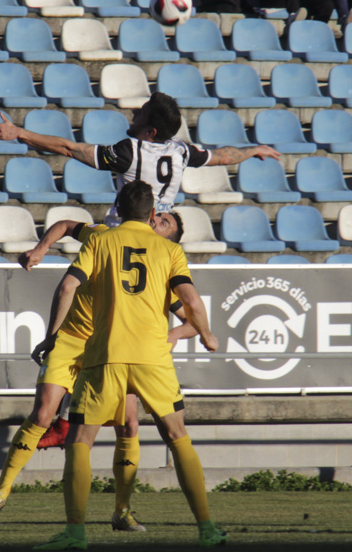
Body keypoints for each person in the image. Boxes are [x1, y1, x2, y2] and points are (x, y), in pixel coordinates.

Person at [34, 181, 224, 551]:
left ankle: (75, 533)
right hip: (153, 357)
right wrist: (207, 335)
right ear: (152, 214)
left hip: (106, 354)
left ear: (117, 210)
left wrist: (52, 335)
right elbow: (192, 301)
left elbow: (67, 287)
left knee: (80, 441)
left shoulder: (100, 241)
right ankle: (207, 528)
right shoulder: (169, 250)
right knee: (177, 435)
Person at [0, 209, 191, 532]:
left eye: (165, 222)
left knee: (129, 425)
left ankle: (122, 510)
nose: (156, 219)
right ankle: (0, 492)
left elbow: (194, 319)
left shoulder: (162, 267)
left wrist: (173, 334)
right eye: (157, 215)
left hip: (111, 349)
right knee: (43, 415)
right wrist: (41, 248)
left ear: (167, 239)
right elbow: (64, 224)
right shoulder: (103, 235)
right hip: (73, 341)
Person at [0, 92, 282, 221]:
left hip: (124, 232)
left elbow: (69, 148)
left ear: (149, 131)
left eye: (141, 113)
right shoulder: (180, 150)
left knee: (74, 282)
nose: (134, 112)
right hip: (161, 231)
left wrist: (20, 133)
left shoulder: (130, 151)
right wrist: (253, 150)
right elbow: (223, 157)